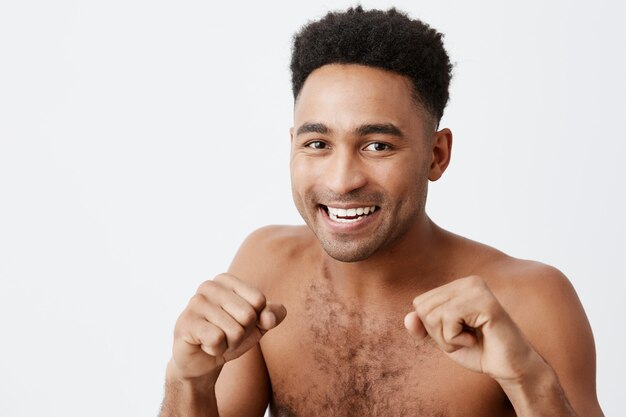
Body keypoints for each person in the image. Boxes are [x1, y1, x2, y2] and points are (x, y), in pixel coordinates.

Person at [158, 7, 604, 417]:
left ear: (436, 155)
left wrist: (529, 380)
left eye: (377, 146)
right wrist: (188, 382)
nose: (341, 180)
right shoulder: (265, 263)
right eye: (318, 144)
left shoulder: (531, 300)